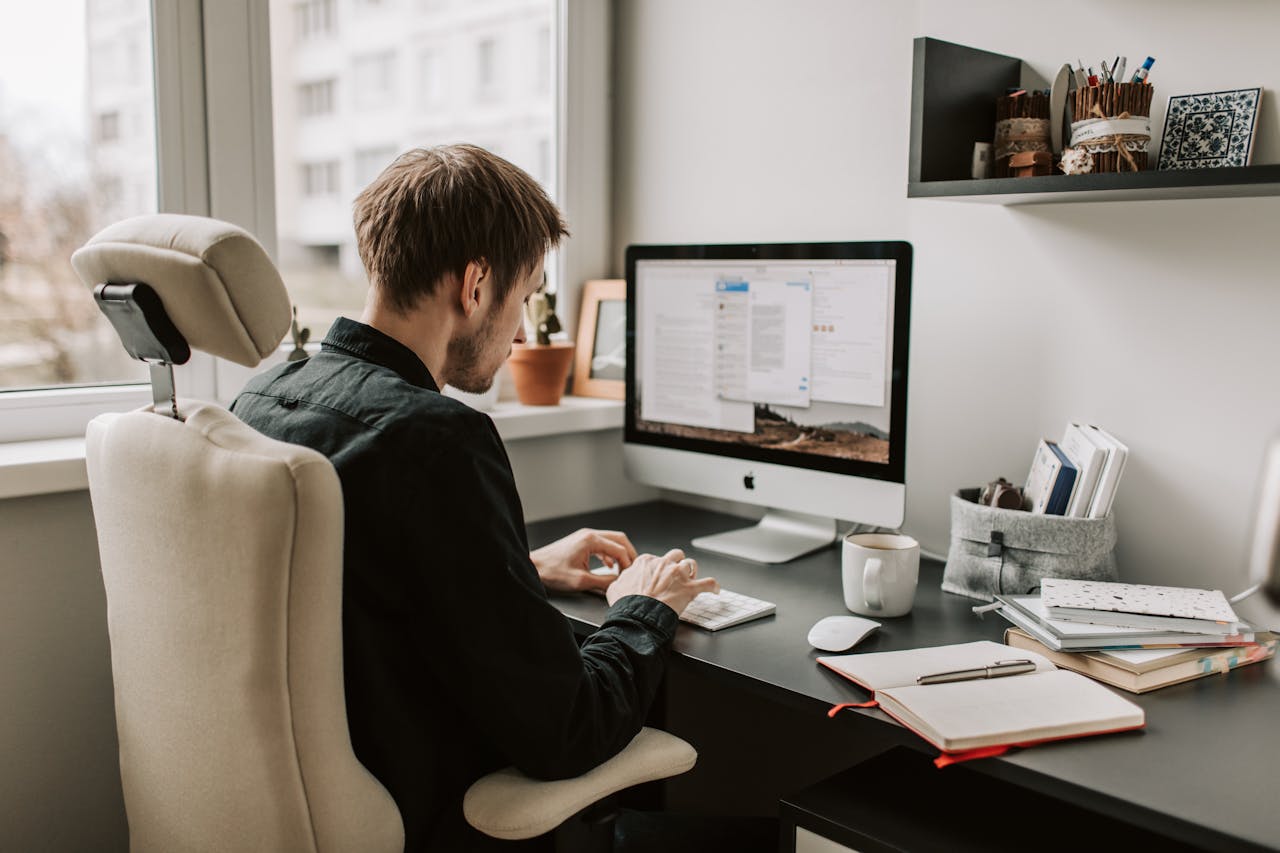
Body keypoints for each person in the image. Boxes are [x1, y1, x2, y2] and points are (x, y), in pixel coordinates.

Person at [231, 144, 720, 851]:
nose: (524, 329)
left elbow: (350, 578)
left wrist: (518, 563)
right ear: (477, 284)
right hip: (426, 809)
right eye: (524, 297)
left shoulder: (268, 394)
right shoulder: (437, 441)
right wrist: (643, 606)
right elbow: (567, 730)